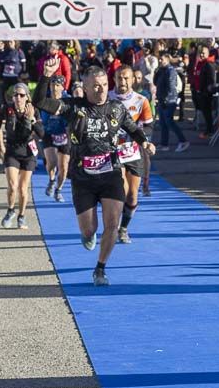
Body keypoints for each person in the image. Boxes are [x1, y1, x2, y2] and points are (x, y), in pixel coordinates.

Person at [39, 66, 155, 286]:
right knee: (89, 230)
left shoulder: (116, 107)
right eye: (95, 86)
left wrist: (145, 142)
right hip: (83, 177)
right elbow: (41, 103)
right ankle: (88, 235)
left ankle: (100, 268)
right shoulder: (73, 107)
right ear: (85, 87)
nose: (101, 90)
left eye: (103, 85)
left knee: (112, 223)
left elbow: (133, 128)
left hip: (111, 172)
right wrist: (46, 77)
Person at [108, 65, 154, 243]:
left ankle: (124, 228)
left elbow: (149, 125)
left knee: (133, 194)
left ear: (133, 80)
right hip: (113, 151)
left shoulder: (141, 100)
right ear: (114, 79)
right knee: (122, 188)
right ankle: (112, 225)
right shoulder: (107, 98)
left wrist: (143, 137)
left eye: (126, 78)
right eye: (120, 78)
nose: (123, 82)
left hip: (133, 150)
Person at [0, 82, 44, 230]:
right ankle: (10, 210)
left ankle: (22, 216)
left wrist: (32, 119)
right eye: (15, 94)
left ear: (27, 97)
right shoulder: (7, 108)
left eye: (21, 95)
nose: (18, 97)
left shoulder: (33, 110)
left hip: (28, 152)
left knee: (23, 188)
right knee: (12, 185)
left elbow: (41, 133)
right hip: (12, 151)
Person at [40, 77, 70, 203]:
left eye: (58, 85)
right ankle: (52, 180)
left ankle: (59, 189)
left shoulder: (68, 100)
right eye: (52, 84)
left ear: (63, 87)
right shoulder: (46, 100)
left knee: (63, 167)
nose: (54, 87)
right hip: (50, 133)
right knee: (51, 162)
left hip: (64, 134)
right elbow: (44, 119)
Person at [153, 52, 190, 153]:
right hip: (161, 100)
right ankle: (164, 144)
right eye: (159, 59)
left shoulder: (170, 71)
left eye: (162, 59)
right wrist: (156, 72)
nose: (160, 61)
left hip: (169, 101)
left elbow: (171, 86)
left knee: (169, 121)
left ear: (167, 60)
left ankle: (183, 141)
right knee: (162, 123)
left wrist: (166, 100)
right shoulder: (161, 70)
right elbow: (155, 83)